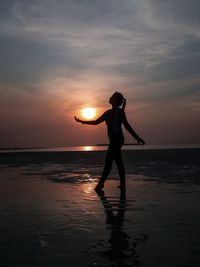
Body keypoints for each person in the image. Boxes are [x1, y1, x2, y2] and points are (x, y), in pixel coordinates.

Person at [74, 92, 145, 191]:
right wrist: (82, 121)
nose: (109, 97)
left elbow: (127, 126)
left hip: (117, 140)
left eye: (112, 97)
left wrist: (137, 137)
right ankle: (122, 184)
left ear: (115, 100)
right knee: (118, 161)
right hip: (114, 140)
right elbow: (96, 122)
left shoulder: (120, 112)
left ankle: (101, 184)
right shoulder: (108, 112)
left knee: (108, 162)